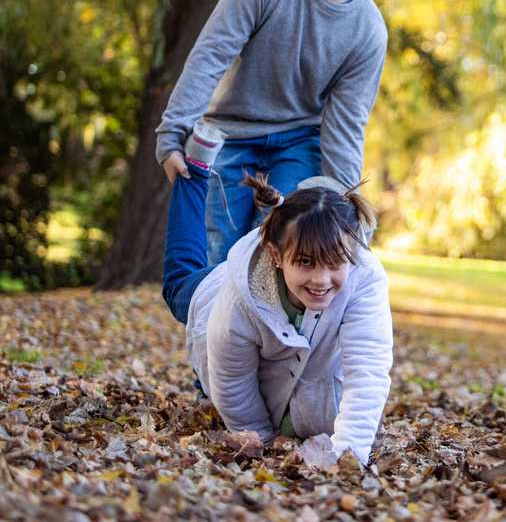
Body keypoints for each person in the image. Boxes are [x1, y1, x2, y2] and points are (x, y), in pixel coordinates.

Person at [156, 0, 389, 265]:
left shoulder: (368, 31)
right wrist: (173, 132)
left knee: (278, 252)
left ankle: (272, 329)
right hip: (228, 133)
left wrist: (349, 207)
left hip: (298, 141)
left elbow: (346, 126)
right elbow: (212, 54)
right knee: (219, 257)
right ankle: (215, 329)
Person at [161, 127, 393, 465]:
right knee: (178, 281)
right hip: (215, 291)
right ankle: (195, 174)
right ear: (276, 254)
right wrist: (263, 442)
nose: (321, 279)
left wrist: (349, 457)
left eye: (334, 264)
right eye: (305, 262)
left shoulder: (365, 279)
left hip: (296, 380)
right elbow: (232, 380)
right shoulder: (239, 301)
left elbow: (368, 367)